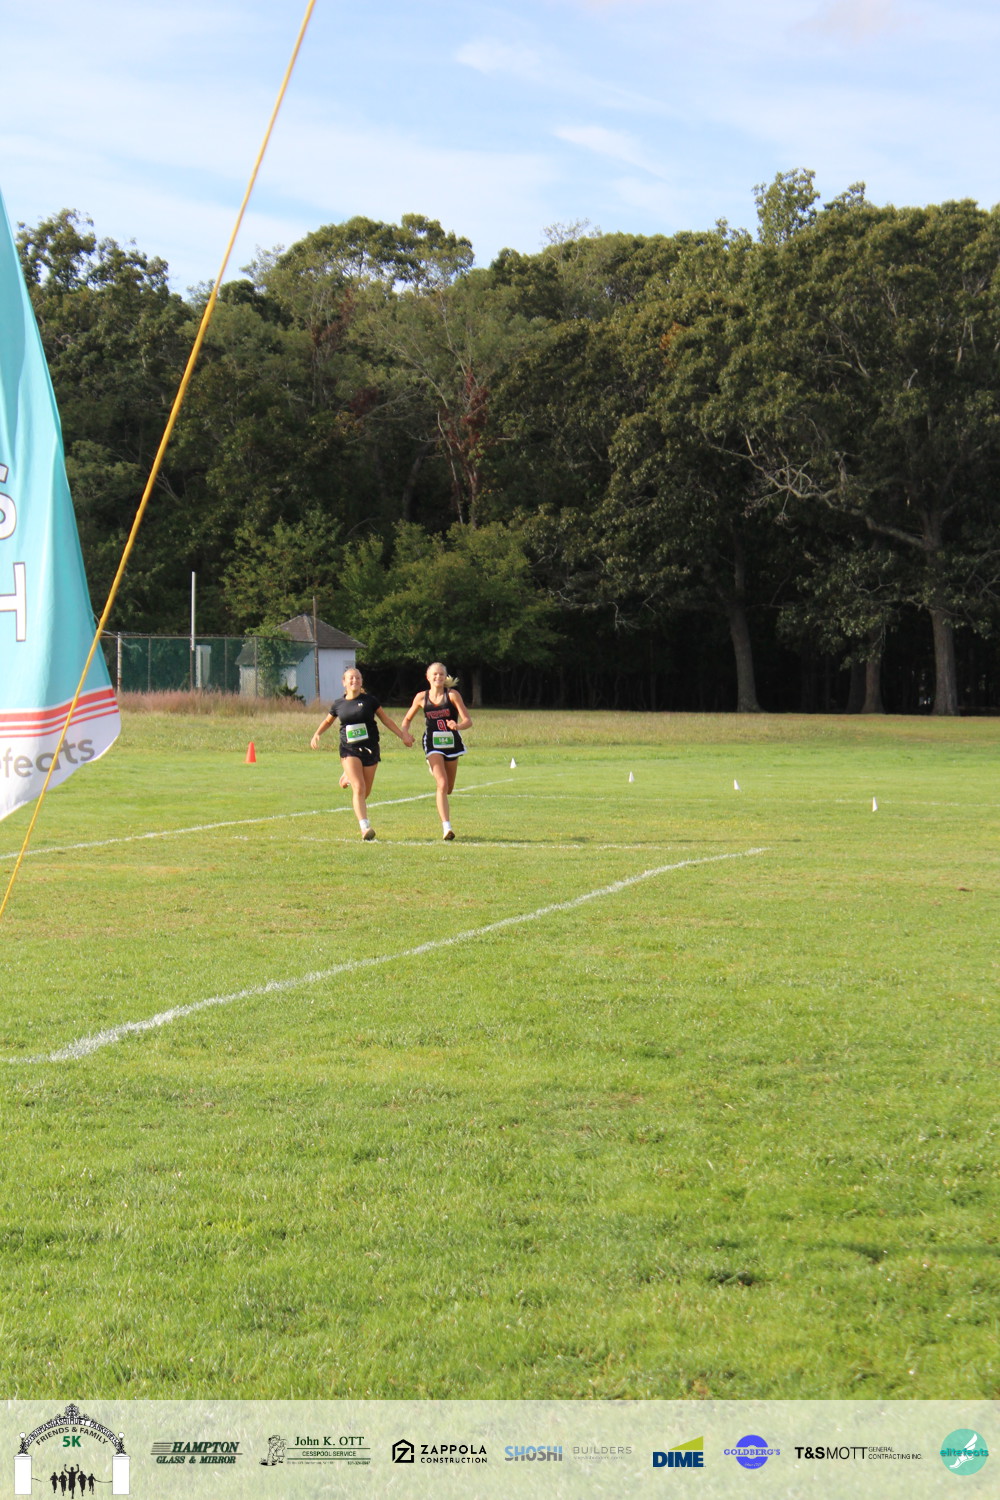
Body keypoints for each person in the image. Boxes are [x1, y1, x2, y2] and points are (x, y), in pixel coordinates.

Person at [310, 666, 413, 840]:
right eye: (351, 678)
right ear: (344, 682)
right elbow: (328, 721)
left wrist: (403, 735)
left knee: (366, 791)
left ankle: (347, 775)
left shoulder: (370, 701)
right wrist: (317, 734)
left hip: (370, 748)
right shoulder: (338, 704)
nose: (354, 680)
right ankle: (365, 827)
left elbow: (386, 720)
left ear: (361, 681)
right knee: (359, 787)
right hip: (349, 749)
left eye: (357, 678)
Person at [402, 662, 472, 840]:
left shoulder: (453, 695)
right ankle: (446, 828)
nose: (437, 677)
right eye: (434, 674)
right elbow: (407, 719)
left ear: (445, 677)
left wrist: (457, 725)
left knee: (448, 788)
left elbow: (468, 720)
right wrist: (405, 734)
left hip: (451, 743)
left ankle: (435, 769)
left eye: (441, 674)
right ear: (428, 677)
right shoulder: (421, 697)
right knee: (441, 783)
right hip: (432, 744)